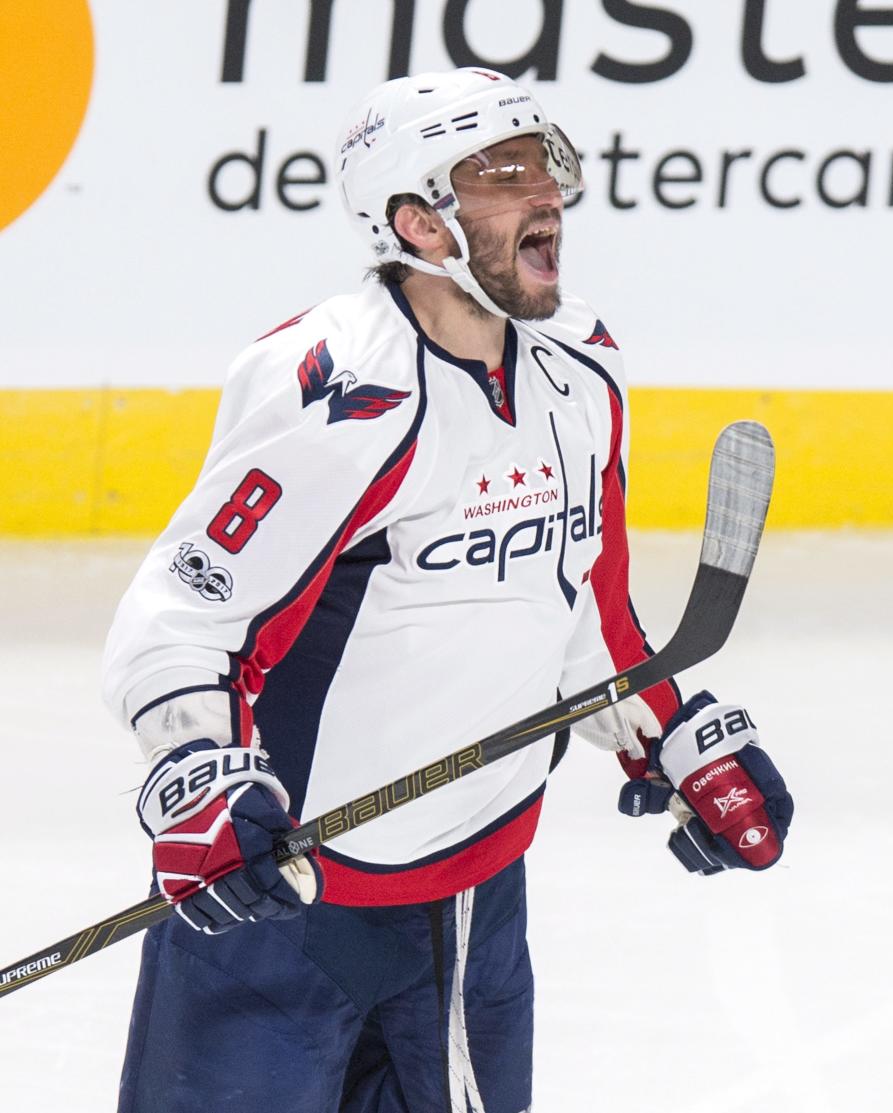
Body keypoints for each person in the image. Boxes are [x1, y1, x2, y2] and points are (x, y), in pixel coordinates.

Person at [102, 67, 793, 1113]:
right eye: (501, 174)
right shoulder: (339, 387)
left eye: (546, 164)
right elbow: (187, 618)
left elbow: (584, 606)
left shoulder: (580, 371)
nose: (545, 193)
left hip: (475, 904)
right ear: (420, 222)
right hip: (281, 905)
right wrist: (199, 775)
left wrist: (675, 731)